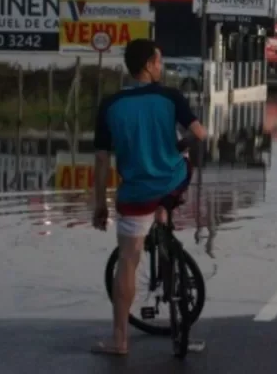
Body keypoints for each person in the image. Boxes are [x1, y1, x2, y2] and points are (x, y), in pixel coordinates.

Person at [91, 39, 207, 356]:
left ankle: (119, 340)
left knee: (128, 260)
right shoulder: (170, 97)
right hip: (171, 181)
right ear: (148, 65)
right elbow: (200, 134)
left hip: (134, 193)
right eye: (159, 61)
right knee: (181, 170)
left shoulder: (110, 105)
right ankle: (165, 212)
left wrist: (100, 204)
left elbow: (101, 159)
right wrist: (178, 147)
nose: (161, 66)